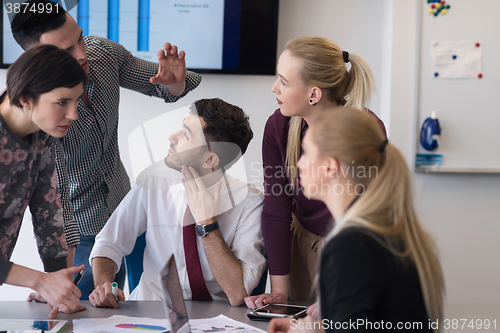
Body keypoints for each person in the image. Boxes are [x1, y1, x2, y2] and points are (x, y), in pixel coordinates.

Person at [11, 0, 202, 299]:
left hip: (125, 206)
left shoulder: (102, 54)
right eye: (65, 52)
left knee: (148, 302)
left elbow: (164, 85)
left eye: (79, 38)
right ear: (36, 59)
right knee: (85, 309)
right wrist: (58, 277)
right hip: (81, 225)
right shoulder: (39, 116)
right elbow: (55, 207)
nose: (81, 54)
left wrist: (174, 84)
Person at [268, 107, 444, 333]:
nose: (298, 163)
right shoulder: (380, 232)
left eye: (306, 153)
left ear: (331, 166)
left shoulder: (352, 246)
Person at [246, 37, 386, 309]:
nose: (274, 88)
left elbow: (370, 216)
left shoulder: (365, 130)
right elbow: (276, 210)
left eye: (284, 82)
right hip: (300, 247)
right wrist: (279, 293)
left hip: (354, 249)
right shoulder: (279, 127)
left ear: (314, 94)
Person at [88, 98, 266, 308]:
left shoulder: (250, 203)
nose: (171, 136)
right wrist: (104, 286)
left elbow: (238, 293)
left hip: (216, 320)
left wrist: (207, 223)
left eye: (186, 134)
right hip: (149, 310)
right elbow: (109, 243)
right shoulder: (153, 181)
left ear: (210, 160)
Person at [0, 44, 88, 318]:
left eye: (76, 101)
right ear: (26, 99)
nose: (73, 114)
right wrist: (40, 281)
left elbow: (47, 207)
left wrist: (57, 283)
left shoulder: (42, 133)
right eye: (62, 102)